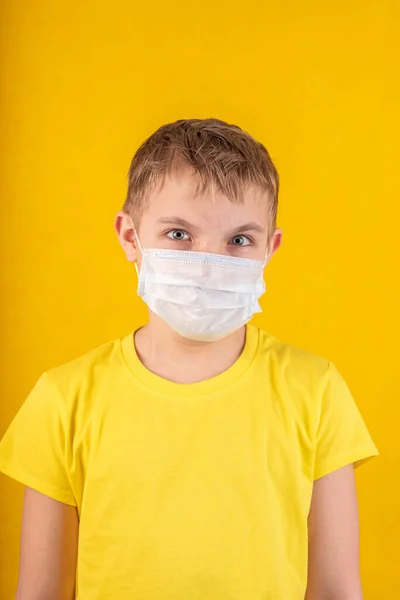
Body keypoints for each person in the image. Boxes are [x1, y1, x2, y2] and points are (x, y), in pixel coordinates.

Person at [0, 118, 377, 600]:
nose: (207, 264)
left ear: (269, 249)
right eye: (179, 234)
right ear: (131, 237)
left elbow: (336, 590)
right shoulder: (63, 400)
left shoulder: (317, 391)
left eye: (239, 240)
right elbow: (41, 592)